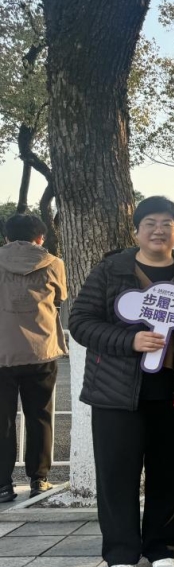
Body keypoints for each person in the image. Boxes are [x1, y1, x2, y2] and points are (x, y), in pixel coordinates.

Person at [69, 196, 174, 567]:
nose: (158, 230)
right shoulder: (110, 270)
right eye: (150, 223)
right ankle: (120, 554)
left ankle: (163, 548)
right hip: (116, 394)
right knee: (116, 475)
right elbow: (81, 322)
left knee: (170, 473)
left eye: (167, 224)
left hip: (172, 395)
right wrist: (129, 341)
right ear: (136, 231)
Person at [0, 215, 66, 502]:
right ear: (40, 237)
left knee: (2, 419)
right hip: (41, 350)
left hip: (2, 350)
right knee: (39, 415)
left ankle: (2, 485)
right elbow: (60, 297)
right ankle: (39, 479)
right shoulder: (53, 263)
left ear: (6, 237)